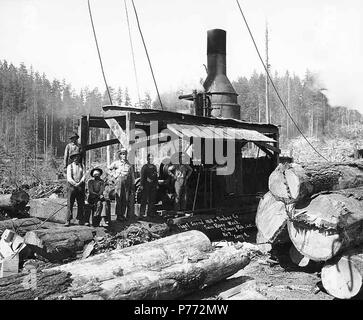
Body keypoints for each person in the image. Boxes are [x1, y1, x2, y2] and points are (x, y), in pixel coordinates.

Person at [108, 148, 135, 221]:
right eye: (122, 154)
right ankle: (118, 215)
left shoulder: (129, 164)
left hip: (127, 182)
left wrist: (133, 183)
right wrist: (115, 176)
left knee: (125, 199)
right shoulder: (116, 163)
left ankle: (122, 214)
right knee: (119, 198)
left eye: (125, 154)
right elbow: (109, 169)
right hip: (119, 181)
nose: (124, 155)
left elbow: (132, 175)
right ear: (120, 155)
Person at [66, 152, 86, 226]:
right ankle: (68, 220)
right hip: (71, 187)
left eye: (78, 157)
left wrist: (80, 183)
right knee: (70, 203)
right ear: (72, 158)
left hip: (80, 186)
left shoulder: (82, 166)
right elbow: (69, 178)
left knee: (80, 203)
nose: (76, 158)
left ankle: (80, 219)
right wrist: (75, 184)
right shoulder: (69, 166)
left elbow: (84, 175)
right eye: (74, 157)